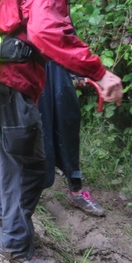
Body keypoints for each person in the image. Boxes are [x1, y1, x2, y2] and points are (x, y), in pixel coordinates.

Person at [0, 0, 123, 263]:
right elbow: (47, 32)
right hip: (11, 84)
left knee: (13, 163)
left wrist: (75, 71)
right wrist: (100, 72)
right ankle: (14, 245)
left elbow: (30, 33)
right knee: (33, 168)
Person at [39, 60, 105, 216]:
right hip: (31, 69)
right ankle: (27, 193)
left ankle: (76, 190)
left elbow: (68, 40)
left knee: (67, 128)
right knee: (40, 132)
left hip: (58, 69)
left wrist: (77, 69)